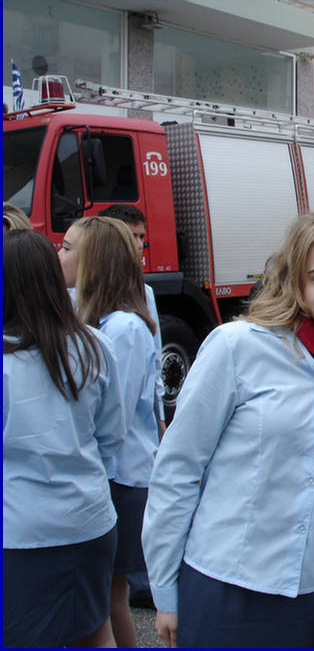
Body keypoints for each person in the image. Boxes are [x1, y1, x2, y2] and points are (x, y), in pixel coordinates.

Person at [142, 212, 314, 647]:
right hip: (221, 586)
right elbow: (177, 470)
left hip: (308, 595)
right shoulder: (238, 346)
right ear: (296, 284)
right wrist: (164, 588)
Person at [3, 229, 126, 647]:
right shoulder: (95, 346)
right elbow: (112, 437)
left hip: (21, 532)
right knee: (95, 631)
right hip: (89, 520)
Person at [58, 216, 160, 647]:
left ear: (92, 262)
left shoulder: (123, 329)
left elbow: (113, 413)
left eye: (67, 248)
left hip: (122, 477)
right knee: (107, 600)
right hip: (114, 474)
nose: (58, 254)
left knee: (108, 600)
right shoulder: (101, 322)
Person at [100, 203, 165, 610]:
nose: (138, 245)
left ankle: (147, 583)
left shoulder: (137, 307)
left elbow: (150, 367)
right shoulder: (103, 311)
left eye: (141, 237)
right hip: (124, 460)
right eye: (131, 236)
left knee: (117, 577)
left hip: (126, 460)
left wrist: (160, 418)